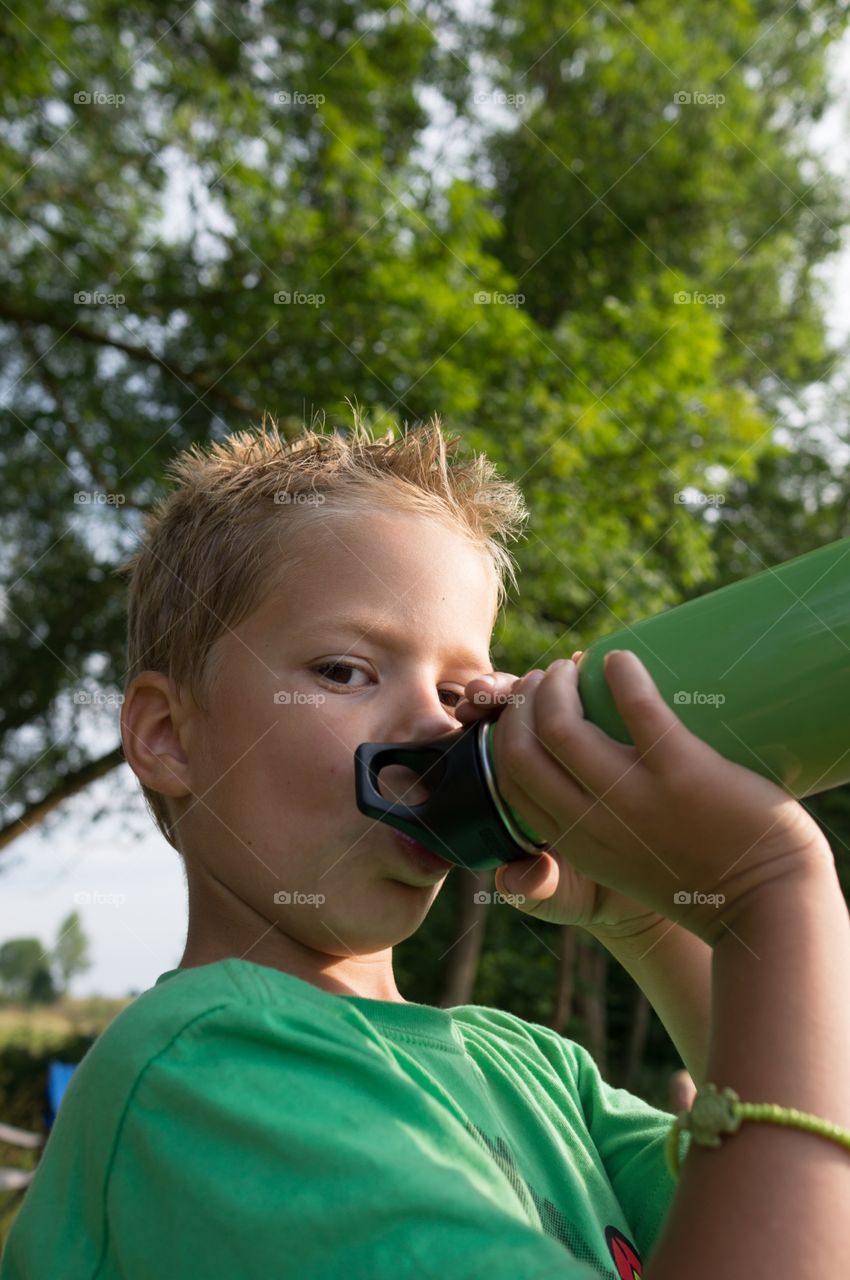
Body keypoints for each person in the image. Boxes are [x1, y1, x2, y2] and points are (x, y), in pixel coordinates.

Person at [3, 413, 848, 1278]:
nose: (434, 726)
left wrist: (656, 926)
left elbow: (814, 1209)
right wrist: (773, 905)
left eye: (457, 689)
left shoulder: (537, 1073)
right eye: (345, 671)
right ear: (170, 736)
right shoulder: (208, 1069)